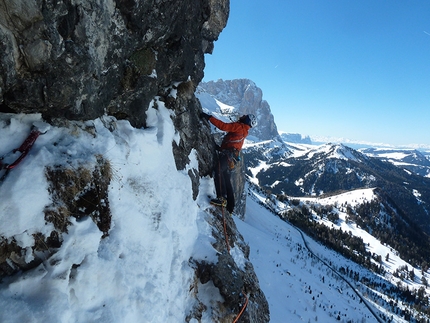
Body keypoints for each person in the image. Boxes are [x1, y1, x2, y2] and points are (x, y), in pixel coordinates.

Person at [200, 112, 257, 213]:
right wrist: (221, 148)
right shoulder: (244, 129)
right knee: (226, 179)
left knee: (218, 170)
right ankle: (230, 207)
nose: (242, 116)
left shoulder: (239, 126)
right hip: (231, 156)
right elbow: (232, 141)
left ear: (247, 120)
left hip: (228, 155)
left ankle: (221, 198)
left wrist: (209, 118)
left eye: (245, 116)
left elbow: (223, 126)